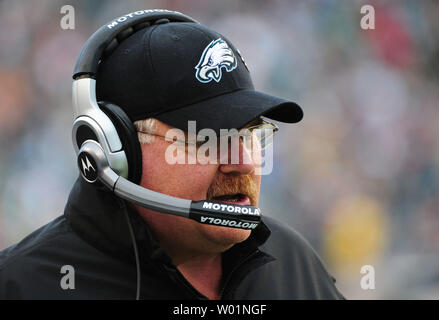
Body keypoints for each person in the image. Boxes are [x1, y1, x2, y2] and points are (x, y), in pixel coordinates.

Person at [0, 11, 344, 299]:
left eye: (250, 133)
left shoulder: (294, 265)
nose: (245, 162)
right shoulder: (22, 286)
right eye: (207, 140)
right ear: (117, 151)